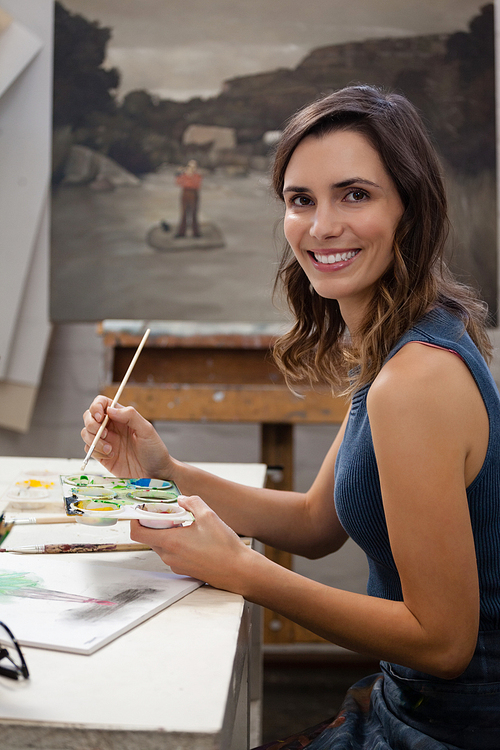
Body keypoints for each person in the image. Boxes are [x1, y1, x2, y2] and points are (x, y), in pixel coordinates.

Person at [82, 85, 500, 749]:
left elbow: (446, 644)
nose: (321, 225)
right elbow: (314, 524)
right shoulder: (402, 344)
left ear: (409, 209)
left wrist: (242, 570)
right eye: (300, 200)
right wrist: (166, 471)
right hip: (403, 705)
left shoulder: (415, 382)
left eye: (354, 194)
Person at [174, 159, 203, 237]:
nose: (192, 168)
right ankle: (181, 232)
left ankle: (196, 233)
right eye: (190, 166)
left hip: (194, 194)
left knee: (194, 213)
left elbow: (197, 184)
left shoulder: (197, 176)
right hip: (185, 194)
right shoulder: (184, 175)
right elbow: (178, 183)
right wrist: (178, 175)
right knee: (184, 214)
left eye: (194, 167)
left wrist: (189, 178)